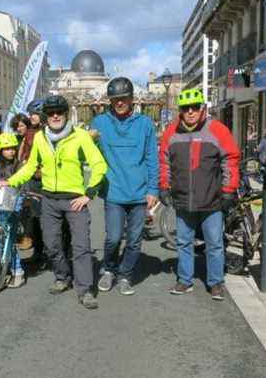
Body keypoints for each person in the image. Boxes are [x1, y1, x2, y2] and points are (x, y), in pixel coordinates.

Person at [0, 96, 108, 309]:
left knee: (81, 247)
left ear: (66, 114)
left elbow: (99, 165)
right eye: (51, 113)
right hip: (49, 199)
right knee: (52, 244)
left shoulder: (80, 136)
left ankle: (85, 290)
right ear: (46, 116)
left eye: (59, 112)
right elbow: (30, 167)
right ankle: (62, 277)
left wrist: (89, 193)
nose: (55, 116)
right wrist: (10, 182)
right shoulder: (40, 138)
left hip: (75, 200)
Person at [159, 88, 240, 301]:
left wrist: (228, 189)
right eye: (186, 109)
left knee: (214, 243)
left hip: (211, 199)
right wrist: (164, 186)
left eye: (195, 107)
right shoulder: (171, 132)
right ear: (181, 111)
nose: (191, 112)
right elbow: (164, 162)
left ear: (202, 108)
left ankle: (215, 283)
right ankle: (185, 280)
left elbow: (230, 159)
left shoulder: (218, 130)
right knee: (183, 242)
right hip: (183, 198)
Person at [91, 77, 158, 296]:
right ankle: (109, 269)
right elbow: (86, 151)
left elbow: (151, 159)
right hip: (113, 192)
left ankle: (125, 274)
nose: (119, 102)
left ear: (131, 99)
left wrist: (153, 189)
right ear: (110, 100)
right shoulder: (100, 123)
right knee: (113, 237)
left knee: (135, 240)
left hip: (139, 193)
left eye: (123, 98)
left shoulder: (145, 124)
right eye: (115, 99)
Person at [0, 132, 28, 288]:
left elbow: (23, 186)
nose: (10, 151)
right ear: (0, 151)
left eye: (12, 148)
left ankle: (18, 271)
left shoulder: (20, 166)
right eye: (6, 149)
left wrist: (21, 198)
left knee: (10, 239)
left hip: (14, 205)